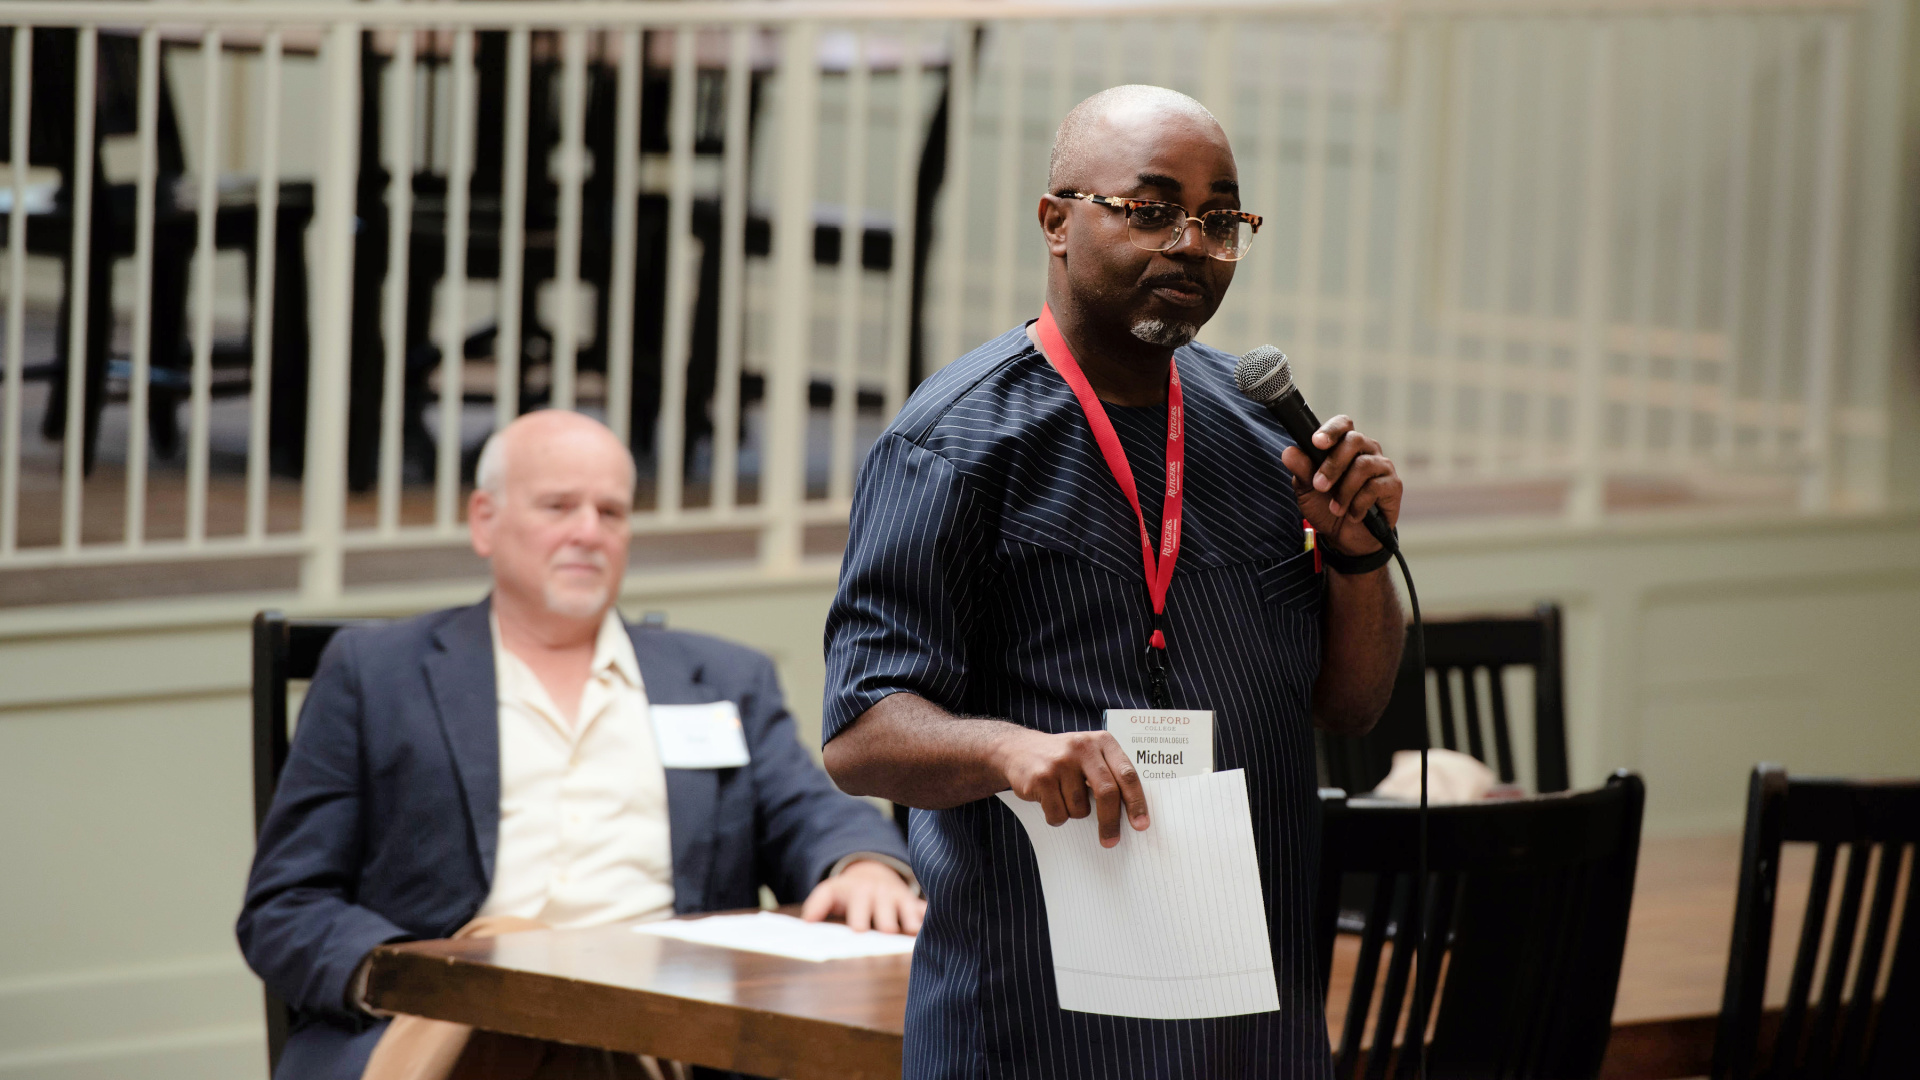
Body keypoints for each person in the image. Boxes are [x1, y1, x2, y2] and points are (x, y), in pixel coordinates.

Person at [820, 85, 1406, 1077]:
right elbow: (859, 734)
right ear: (1056, 222)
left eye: (1221, 219)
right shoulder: (953, 442)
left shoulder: (1267, 428)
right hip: (1034, 1024)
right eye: (1152, 209)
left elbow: (1349, 706)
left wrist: (1355, 560)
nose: (1192, 241)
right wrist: (1007, 749)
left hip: (1251, 1024)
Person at [239, 410, 919, 1080]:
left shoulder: (721, 679)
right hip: (440, 1024)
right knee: (508, 1007)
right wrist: (419, 981)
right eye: (559, 506)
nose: (588, 533)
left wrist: (862, 865)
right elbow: (286, 905)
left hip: (662, 1027)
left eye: (611, 512)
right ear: (484, 520)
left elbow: (811, 813)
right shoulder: (375, 673)